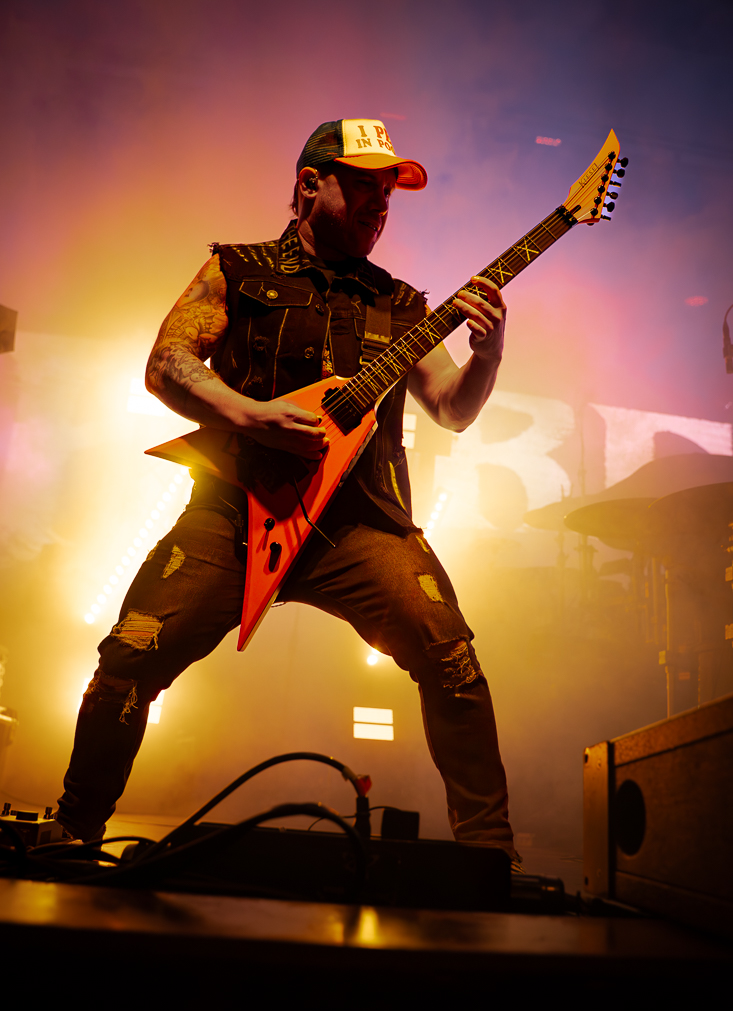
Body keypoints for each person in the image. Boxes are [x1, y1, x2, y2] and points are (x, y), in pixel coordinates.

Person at [57, 119, 517, 863]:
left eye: (388, 190)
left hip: (360, 525)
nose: (380, 204)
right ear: (309, 184)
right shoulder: (233, 270)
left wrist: (488, 355)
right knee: (128, 660)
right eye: (363, 184)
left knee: (452, 661)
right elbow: (168, 359)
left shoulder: (400, 304)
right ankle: (72, 832)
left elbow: (453, 410)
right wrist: (249, 416)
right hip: (233, 514)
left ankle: (492, 858)